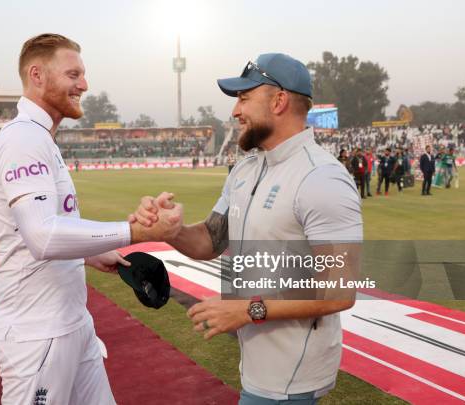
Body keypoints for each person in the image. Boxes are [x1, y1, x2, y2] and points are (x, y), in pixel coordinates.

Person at [132, 53, 362, 404]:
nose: (235, 111)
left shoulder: (321, 178)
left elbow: (338, 291)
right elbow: (211, 238)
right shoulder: (245, 170)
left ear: (279, 101)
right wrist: (172, 230)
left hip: (292, 377)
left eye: (244, 97)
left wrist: (247, 309)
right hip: (257, 363)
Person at [0, 33, 181, 405]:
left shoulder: (41, 139)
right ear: (37, 75)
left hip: (72, 324)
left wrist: (92, 254)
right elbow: (42, 236)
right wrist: (133, 231)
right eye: (73, 74)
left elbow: (37, 231)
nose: (84, 84)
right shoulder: (24, 140)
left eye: (83, 74)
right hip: (36, 333)